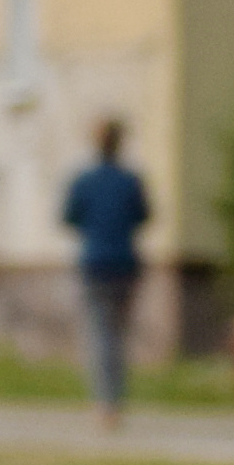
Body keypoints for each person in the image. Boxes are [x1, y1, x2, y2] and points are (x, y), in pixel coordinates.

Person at [60, 119, 153, 429]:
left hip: (95, 264)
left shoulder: (84, 181)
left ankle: (105, 403)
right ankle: (116, 401)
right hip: (125, 264)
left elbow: (69, 217)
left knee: (101, 335)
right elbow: (144, 216)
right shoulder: (131, 181)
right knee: (118, 334)